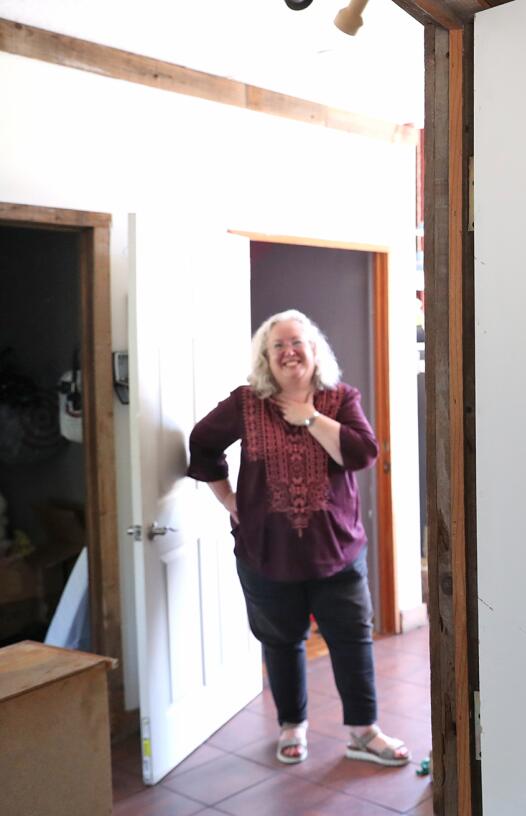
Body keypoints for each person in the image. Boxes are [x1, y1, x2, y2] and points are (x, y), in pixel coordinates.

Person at [187, 309, 409, 767]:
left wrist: (309, 416)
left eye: (297, 343)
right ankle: (292, 725)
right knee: (282, 641)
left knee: (352, 640)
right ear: (265, 358)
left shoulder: (341, 398)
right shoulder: (246, 403)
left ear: (314, 351)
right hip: (266, 555)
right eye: (278, 346)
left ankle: (363, 732)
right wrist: (229, 499)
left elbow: (362, 453)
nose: (289, 352)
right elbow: (203, 443)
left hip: (337, 552)